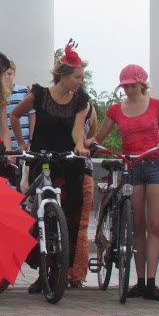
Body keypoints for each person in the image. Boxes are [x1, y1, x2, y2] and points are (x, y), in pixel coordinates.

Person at [11, 41, 90, 294]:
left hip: (68, 160)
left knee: (69, 214)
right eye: (77, 77)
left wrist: (80, 146)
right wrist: (22, 143)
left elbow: (78, 131)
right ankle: (42, 270)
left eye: (82, 77)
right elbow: (15, 115)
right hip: (42, 158)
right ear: (63, 75)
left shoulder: (81, 101)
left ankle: (59, 270)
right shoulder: (40, 95)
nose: (80, 82)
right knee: (39, 214)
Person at [88, 64, 159, 301]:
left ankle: (151, 282)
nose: (129, 90)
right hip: (131, 164)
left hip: (155, 163)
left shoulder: (157, 105)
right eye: (125, 87)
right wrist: (86, 144)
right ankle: (140, 280)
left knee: (154, 224)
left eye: (132, 86)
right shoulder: (116, 109)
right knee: (137, 224)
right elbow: (99, 137)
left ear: (142, 84)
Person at [68, 103, 98, 288]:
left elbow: (92, 137)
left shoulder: (89, 109)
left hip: (80, 168)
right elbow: (93, 137)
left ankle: (74, 273)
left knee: (80, 224)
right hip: (78, 167)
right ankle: (76, 275)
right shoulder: (90, 109)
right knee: (79, 224)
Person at [4, 61, 35, 151]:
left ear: (14, 74)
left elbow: (32, 116)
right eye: (3, 74)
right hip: (6, 144)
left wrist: (31, 140)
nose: (6, 77)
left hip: (24, 143)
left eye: (9, 74)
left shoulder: (24, 91)